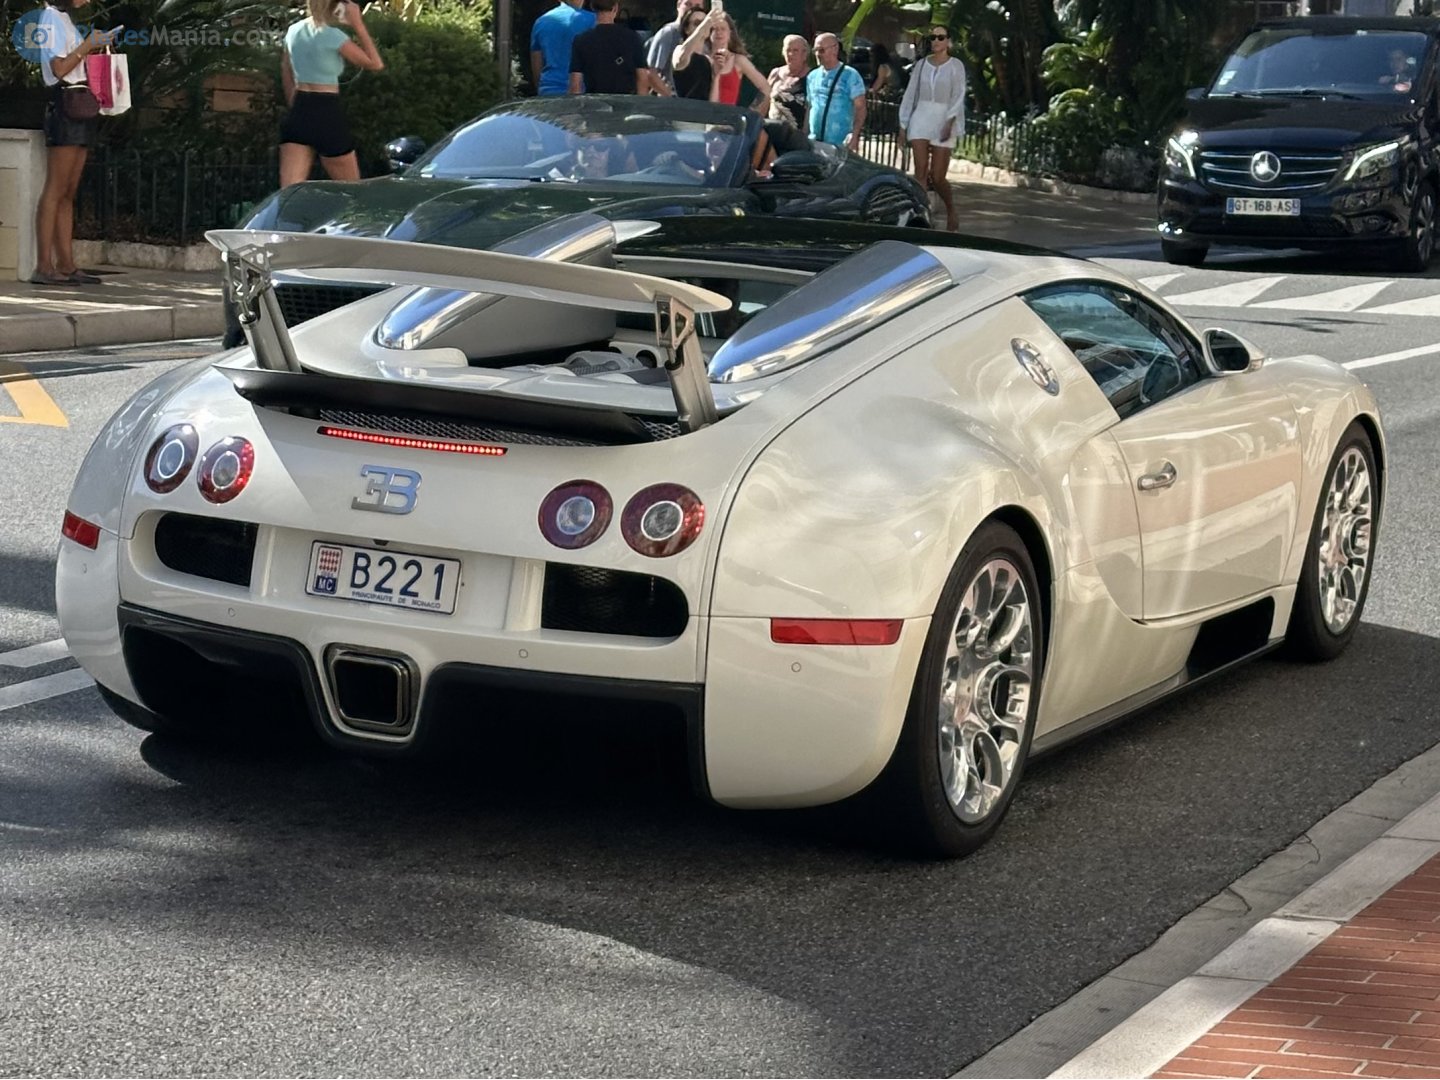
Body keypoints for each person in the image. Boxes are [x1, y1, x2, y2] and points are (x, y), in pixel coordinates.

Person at [30, 0, 117, 285]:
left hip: (81, 102)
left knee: (68, 191)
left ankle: (66, 264)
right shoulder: (50, 17)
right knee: (55, 189)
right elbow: (59, 68)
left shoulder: (65, 19)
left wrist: (95, 47)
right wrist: (87, 45)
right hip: (65, 103)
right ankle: (44, 266)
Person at [278, 0, 384, 188]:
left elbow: (286, 71)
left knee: (289, 193)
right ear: (335, 6)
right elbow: (375, 63)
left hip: (300, 109)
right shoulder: (333, 36)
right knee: (352, 191)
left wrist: (294, 103)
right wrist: (358, 24)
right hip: (327, 111)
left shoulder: (293, 31)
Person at [898, 24, 965, 231]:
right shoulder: (921, 65)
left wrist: (950, 122)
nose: (936, 41)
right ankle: (922, 216)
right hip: (921, 117)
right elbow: (911, 94)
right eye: (933, 38)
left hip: (944, 117)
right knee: (920, 171)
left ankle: (951, 209)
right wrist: (903, 125)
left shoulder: (956, 66)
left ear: (948, 41)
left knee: (937, 177)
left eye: (940, 37)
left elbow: (958, 95)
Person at [569, 0, 669, 95]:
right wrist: (641, 103)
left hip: (595, 102)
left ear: (592, 7)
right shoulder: (632, 38)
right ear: (615, 8)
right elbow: (642, 77)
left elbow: (575, 84)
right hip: (626, 101)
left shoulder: (581, 40)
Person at [805, 33, 865, 151]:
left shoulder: (850, 75)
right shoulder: (812, 76)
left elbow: (861, 107)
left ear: (835, 49)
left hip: (840, 144)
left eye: (821, 50)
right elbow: (810, 107)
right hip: (814, 142)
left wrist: (855, 134)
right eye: (815, 50)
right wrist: (804, 133)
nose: (817, 54)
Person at [531, 0, 595, 97]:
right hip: (582, 93)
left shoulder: (541, 22)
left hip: (548, 91)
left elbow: (537, 65)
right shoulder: (593, 21)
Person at [706, 14, 769, 110]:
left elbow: (765, 87)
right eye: (715, 29)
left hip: (728, 116)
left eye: (723, 29)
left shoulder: (738, 60)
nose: (719, 32)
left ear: (730, 33)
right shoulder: (703, 59)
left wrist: (752, 111)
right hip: (703, 114)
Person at [646, 0, 705, 92]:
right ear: (678, 5)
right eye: (688, 4)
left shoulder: (707, 35)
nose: (693, 9)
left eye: (697, 6)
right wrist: (670, 95)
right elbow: (651, 72)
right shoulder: (668, 33)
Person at [766, 33, 809, 128]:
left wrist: (804, 134)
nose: (790, 54)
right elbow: (763, 101)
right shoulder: (776, 73)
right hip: (773, 129)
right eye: (788, 50)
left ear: (804, 54)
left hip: (797, 132)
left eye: (795, 51)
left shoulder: (811, 77)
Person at [671, 7, 714, 100]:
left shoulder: (708, 59)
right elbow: (681, 58)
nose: (703, 26)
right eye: (697, 23)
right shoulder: (680, 50)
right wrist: (702, 28)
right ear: (686, 29)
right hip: (684, 107)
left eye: (705, 22)